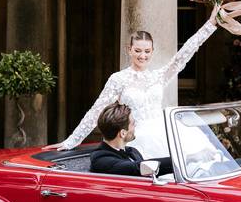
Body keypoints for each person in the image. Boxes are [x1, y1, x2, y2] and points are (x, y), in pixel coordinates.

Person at [56, 21, 217, 158]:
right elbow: (96, 111)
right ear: (129, 49)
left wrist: (210, 24)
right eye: (138, 51)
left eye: (147, 51)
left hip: (164, 132)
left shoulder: (158, 76)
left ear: (152, 51)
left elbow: (184, 55)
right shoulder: (118, 79)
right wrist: (71, 141)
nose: (142, 56)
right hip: (136, 136)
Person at [89, 102, 173, 177]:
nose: (135, 126)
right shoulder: (101, 159)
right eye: (133, 124)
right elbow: (137, 168)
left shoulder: (133, 151)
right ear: (123, 133)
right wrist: (176, 162)